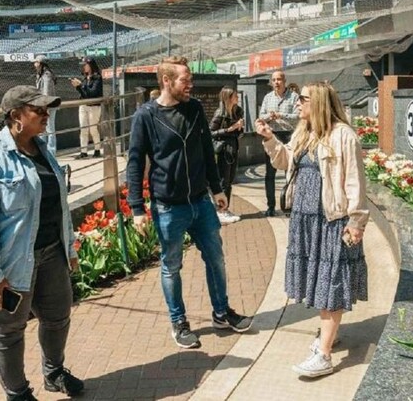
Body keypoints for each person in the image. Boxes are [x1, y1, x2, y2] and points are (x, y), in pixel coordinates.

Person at [0, 85, 83, 401]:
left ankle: (54, 372)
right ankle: (17, 394)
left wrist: (68, 248)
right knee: (9, 333)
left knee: (58, 317)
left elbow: (58, 206)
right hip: (5, 264)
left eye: (46, 110)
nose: (46, 115)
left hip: (49, 254)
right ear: (15, 116)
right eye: (38, 110)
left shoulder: (42, 149)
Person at [126, 56, 253, 349]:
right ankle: (179, 322)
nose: (190, 85)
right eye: (185, 80)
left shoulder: (194, 109)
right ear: (167, 81)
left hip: (200, 202)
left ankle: (222, 313)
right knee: (171, 266)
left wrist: (217, 189)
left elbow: (208, 151)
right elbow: (135, 163)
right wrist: (136, 208)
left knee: (216, 258)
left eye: (191, 79)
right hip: (168, 206)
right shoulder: (146, 116)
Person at [255, 81, 369, 378]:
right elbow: (284, 162)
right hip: (305, 222)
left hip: (331, 221)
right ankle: (328, 335)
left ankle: (324, 354)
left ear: (317, 102)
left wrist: (356, 221)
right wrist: (269, 139)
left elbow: (356, 181)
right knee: (319, 281)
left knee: (330, 282)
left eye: (302, 99)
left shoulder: (343, 136)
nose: (296, 103)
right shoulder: (304, 133)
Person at [258, 70, 299, 216]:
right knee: (270, 174)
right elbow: (261, 116)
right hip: (272, 136)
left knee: (290, 172)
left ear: (284, 81)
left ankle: (289, 206)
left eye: (279, 79)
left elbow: (297, 116)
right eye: (274, 80)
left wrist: (281, 115)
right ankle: (270, 206)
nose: (276, 82)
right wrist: (270, 116)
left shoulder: (294, 97)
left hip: (289, 136)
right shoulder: (268, 98)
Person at [210, 87, 244, 225]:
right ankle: (220, 210)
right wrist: (229, 129)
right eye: (235, 96)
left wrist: (240, 128)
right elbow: (210, 132)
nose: (237, 98)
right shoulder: (220, 113)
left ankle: (225, 208)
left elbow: (240, 132)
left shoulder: (238, 111)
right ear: (228, 98)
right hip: (223, 149)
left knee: (229, 181)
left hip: (233, 148)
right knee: (223, 180)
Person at [70, 56, 102, 159]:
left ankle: (97, 149)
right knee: (83, 129)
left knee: (93, 128)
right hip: (83, 105)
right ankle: (83, 151)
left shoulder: (97, 77)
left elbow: (93, 92)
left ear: (90, 65)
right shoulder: (85, 77)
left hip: (94, 106)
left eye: (85, 65)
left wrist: (81, 86)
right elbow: (84, 93)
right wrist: (78, 86)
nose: (84, 67)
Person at [34, 55, 57, 155]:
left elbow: (46, 92)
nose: (35, 64)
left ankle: (51, 151)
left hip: (48, 105)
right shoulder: (40, 74)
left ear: (41, 63)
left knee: (49, 128)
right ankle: (42, 149)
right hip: (42, 105)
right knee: (42, 128)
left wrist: (44, 105)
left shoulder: (47, 75)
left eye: (36, 62)